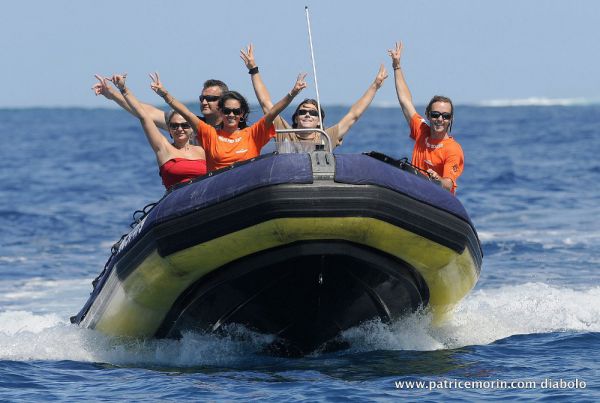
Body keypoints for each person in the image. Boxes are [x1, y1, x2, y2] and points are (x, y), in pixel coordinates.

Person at [240, 44, 388, 152]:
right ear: (296, 118)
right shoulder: (284, 132)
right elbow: (266, 103)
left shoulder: (326, 137)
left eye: (313, 113)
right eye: (303, 112)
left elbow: (353, 115)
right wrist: (254, 70)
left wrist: (375, 86)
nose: (307, 115)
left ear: (319, 121)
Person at [149, 71, 307, 171]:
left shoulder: (252, 134)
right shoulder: (210, 134)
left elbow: (272, 112)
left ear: (242, 114)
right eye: (227, 111)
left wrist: (292, 93)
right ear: (221, 112)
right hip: (218, 192)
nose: (231, 115)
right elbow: (186, 113)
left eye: (236, 112)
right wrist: (165, 94)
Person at [387, 41, 464, 194]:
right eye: (435, 114)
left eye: (445, 116)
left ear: (451, 119)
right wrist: (397, 67)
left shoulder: (453, 149)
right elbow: (405, 101)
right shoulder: (421, 130)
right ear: (428, 115)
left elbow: (448, 184)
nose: (440, 119)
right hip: (414, 195)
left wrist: (438, 180)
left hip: (437, 202)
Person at [106, 74, 207, 190]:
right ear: (169, 129)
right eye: (174, 126)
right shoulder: (163, 148)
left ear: (191, 128)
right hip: (177, 197)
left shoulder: (202, 150)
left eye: (184, 125)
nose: (180, 129)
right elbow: (143, 115)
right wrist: (123, 89)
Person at [93, 76, 228, 130]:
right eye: (202, 98)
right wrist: (113, 94)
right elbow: (147, 112)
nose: (204, 102)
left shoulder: (234, 128)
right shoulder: (186, 126)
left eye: (210, 98)